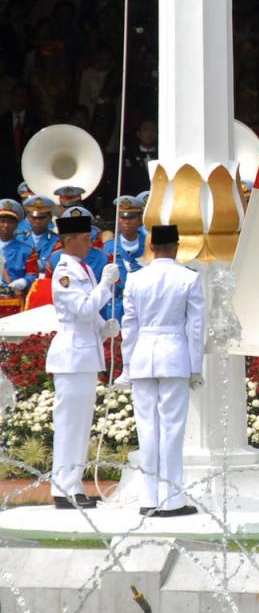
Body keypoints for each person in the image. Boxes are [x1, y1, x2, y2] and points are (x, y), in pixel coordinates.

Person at [120, 224, 204, 518]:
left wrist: (127, 364)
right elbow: (195, 328)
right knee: (172, 429)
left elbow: (128, 326)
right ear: (177, 246)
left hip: (144, 353)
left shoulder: (135, 278)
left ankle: (149, 497)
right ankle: (171, 498)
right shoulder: (189, 278)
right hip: (174, 354)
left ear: (152, 247)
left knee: (147, 428)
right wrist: (196, 367)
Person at [45, 211, 120, 509]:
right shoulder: (64, 272)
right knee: (70, 423)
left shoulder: (82, 268)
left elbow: (90, 317)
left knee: (80, 423)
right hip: (72, 355)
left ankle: (72, 484)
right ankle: (63, 487)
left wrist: (105, 328)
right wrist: (105, 285)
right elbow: (83, 309)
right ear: (69, 240)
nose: (90, 243)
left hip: (85, 353)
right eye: (84, 238)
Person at [0, 198, 33, 294]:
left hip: (13, 301)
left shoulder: (27, 251)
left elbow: (32, 274)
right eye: (2, 221)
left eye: (10, 222)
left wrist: (23, 282)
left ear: (17, 225)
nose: (6, 225)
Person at [20, 195, 57, 274]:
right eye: (33, 217)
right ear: (28, 217)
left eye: (41, 218)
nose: (37, 221)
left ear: (50, 218)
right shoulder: (19, 238)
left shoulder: (57, 241)